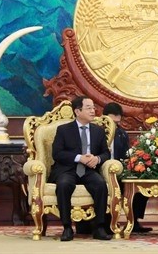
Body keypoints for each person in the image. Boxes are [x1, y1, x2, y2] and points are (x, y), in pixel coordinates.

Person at [48, 96, 112, 241]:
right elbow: (57, 154)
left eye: (93, 107)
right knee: (64, 185)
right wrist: (79, 157)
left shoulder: (98, 131)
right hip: (67, 169)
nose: (93, 110)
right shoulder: (63, 130)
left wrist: (97, 159)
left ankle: (99, 227)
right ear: (78, 111)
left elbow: (106, 153)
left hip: (89, 170)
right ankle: (67, 227)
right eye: (88, 108)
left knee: (100, 185)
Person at [103, 102, 153, 233]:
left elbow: (126, 155)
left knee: (142, 185)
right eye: (112, 123)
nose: (115, 126)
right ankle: (106, 223)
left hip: (120, 170)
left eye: (117, 123)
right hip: (101, 171)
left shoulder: (122, 133)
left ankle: (133, 221)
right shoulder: (97, 131)